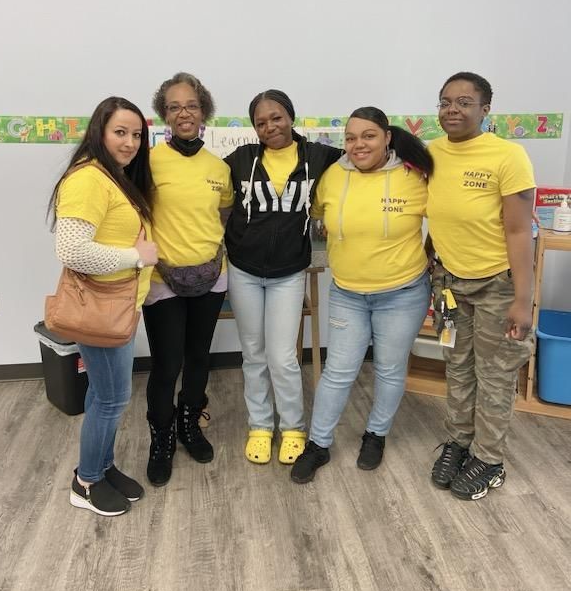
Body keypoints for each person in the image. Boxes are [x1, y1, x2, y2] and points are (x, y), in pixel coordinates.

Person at [291, 107, 433, 483]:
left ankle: (376, 435)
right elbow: (317, 214)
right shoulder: (333, 176)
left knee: (389, 368)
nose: (358, 145)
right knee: (338, 371)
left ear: (387, 137)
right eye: (351, 138)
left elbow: (445, 219)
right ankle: (318, 445)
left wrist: (432, 255)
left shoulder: (414, 176)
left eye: (368, 136)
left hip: (403, 293)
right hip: (348, 293)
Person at [426, 72, 535, 500]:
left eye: (464, 102)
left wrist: (523, 300)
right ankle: (459, 441)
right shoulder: (432, 153)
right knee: (457, 366)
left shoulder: (508, 156)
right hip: (450, 285)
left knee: (495, 374)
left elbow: (519, 232)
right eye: (445, 102)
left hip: (496, 286)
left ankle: (489, 459)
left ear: (486, 109)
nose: (452, 109)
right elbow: (441, 214)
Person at [48, 97, 158, 517]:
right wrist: (136, 257)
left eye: (136, 135)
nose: (130, 142)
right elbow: (72, 250)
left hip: (118, 306)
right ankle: (86, 482)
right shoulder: (88, 179)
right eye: (120, 132)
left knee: (104, 394)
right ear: (99, 131)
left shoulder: (113, 177)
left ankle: (103, 466)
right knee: (111, 399)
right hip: (101, 307)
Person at [224, 90, 341, 465]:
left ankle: (293, 428)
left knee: (283, 357)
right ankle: (260, 426)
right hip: (243, 269)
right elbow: (208, 193)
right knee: (253, 354)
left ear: (290, 116)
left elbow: (363, 161)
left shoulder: (318, 157)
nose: (270, 126)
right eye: (260, 122)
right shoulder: (241, 159)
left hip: (289, 272)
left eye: (276, 117)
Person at [143, 72, 233, 486]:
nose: (184, 113)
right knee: (167, 364)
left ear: (204, 111)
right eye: (175, 106)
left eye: (192, 105)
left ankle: (189, 424)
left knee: (198, 358)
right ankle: (161, 438)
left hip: (211, 277)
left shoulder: (219, 168)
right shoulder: (147, 163)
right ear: (164, 113)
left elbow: (223, 213)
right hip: (162, 280)